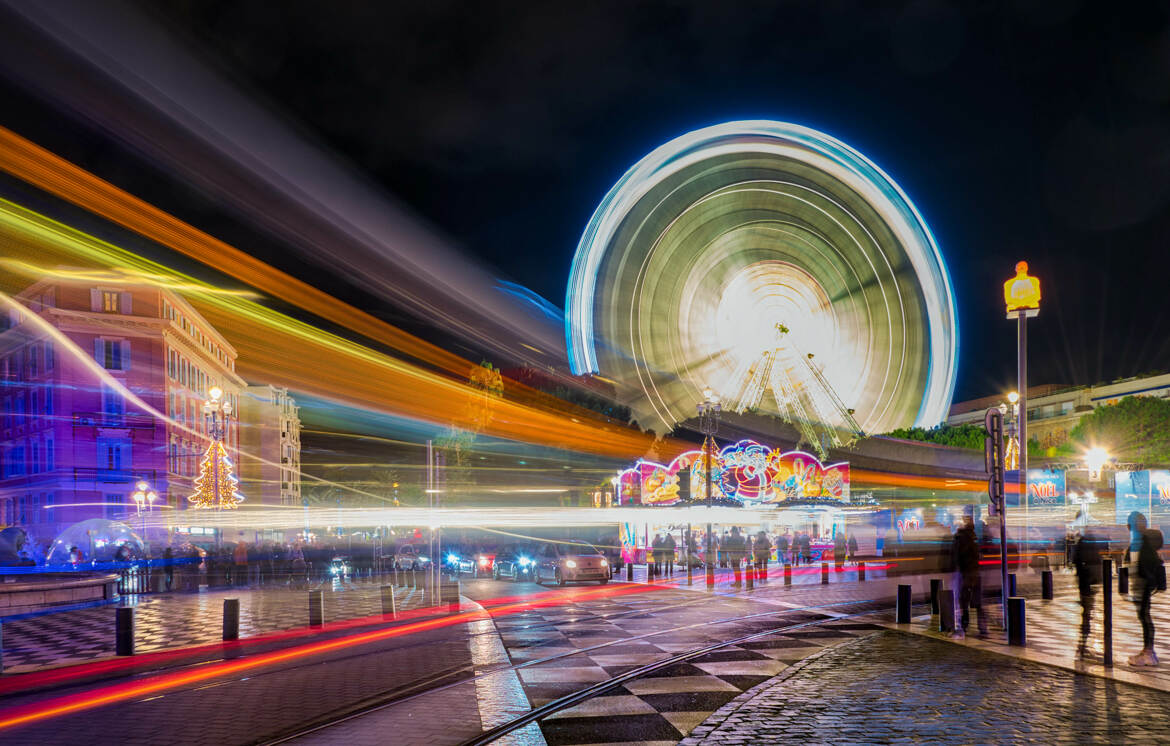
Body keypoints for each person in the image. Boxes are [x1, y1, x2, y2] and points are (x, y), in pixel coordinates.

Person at [1128, 512, 1164, 666]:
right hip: (1141, 585)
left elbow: (1147, 563)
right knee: (1144, 617)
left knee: (1145, 618)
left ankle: (1148, 653)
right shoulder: (1140, 541)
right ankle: (1148, 651)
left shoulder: (1143, 542)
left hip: (1143, 586)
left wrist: (1145, 581)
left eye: (1131, 524)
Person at [952, 516, 987, 637]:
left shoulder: (961, 538)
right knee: (976, 601)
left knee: (964, 600)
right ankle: (982, 627)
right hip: (973, 572)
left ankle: (965, 624)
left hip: (965, 573)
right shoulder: (972, 538)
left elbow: (957, 557)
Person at [1072, 526, 1102, 658]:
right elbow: (1094, 564)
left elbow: (1076, 561)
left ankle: (1083, 645)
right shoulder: (1090, 544)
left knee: (1087, 613)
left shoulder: (1083, 543)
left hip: (1085, 583)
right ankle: (1083, 646)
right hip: (1088, 584)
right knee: (1087, 613)